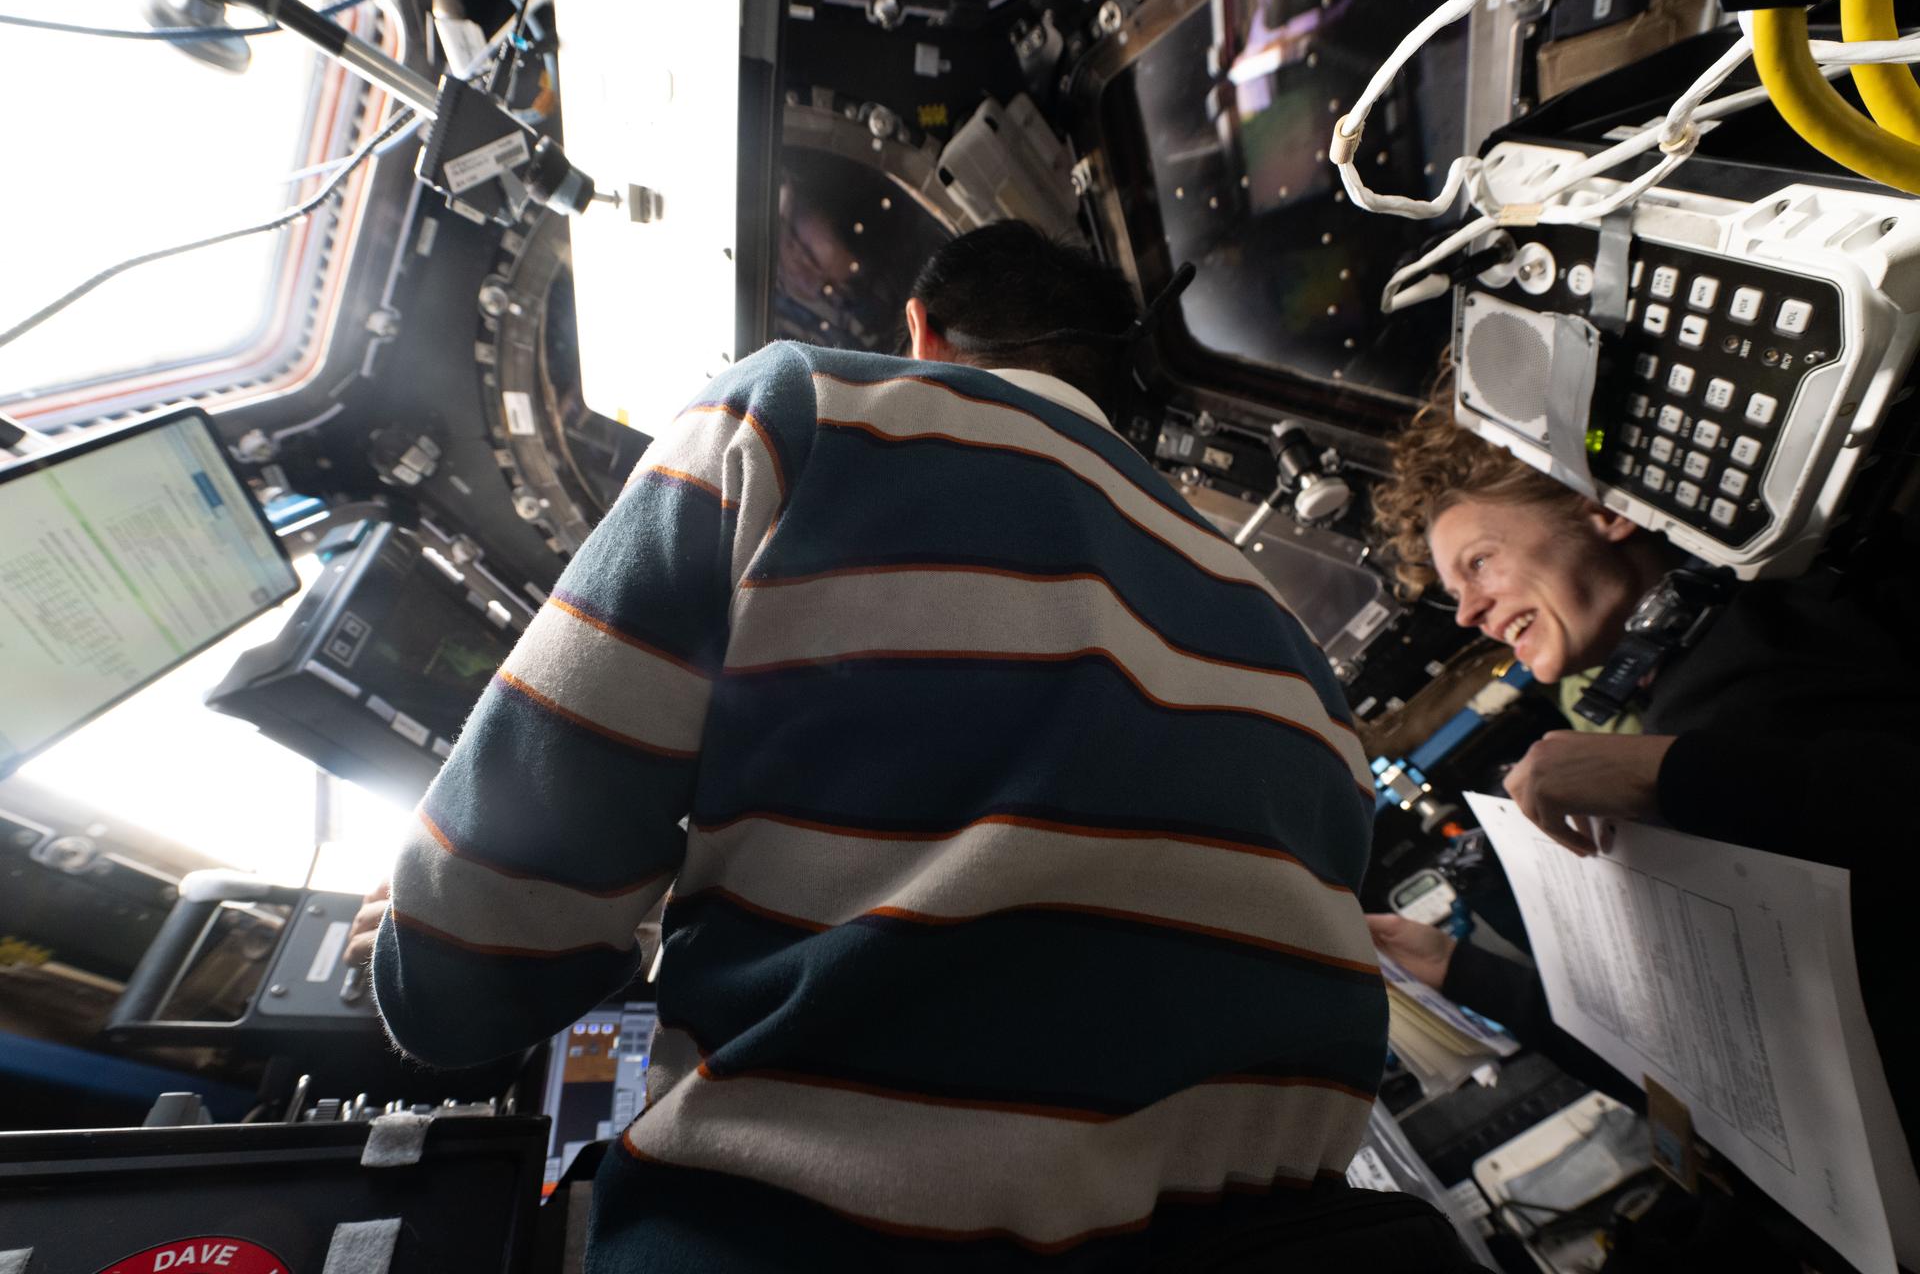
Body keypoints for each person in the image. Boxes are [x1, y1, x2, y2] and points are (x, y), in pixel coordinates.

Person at [368, 223, 1421, 1271]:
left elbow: (463, 978)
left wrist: (417, 934)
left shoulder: (796, 413)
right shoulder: (1296, 650)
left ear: (920, 329)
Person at [1366, 364, 1920, 1150]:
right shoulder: (1679, 690)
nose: (1466, 612)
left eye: (1479, 562)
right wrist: (1460, 973)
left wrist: (1668, 774)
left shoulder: (1807, 609)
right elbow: (1696, 1066)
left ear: (1600, 510)